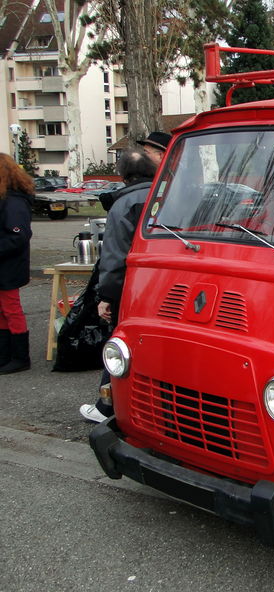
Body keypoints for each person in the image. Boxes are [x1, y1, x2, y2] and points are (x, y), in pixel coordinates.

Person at [79, 148, 159, 422]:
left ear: (123, 175)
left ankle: (108, 407)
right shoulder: (166, 197)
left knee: (120, 346)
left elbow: (114, 257)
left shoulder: (122, 206)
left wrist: (106, 296)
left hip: (132, 288)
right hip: (163, 285)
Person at [0, 154, 35, 375]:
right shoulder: (8, 200)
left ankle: (20, 357)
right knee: (3, 311)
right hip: (5, 264)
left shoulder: (14, 202)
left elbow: (19, 235)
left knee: (11, 310)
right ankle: (6, 354)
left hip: (9, 266)